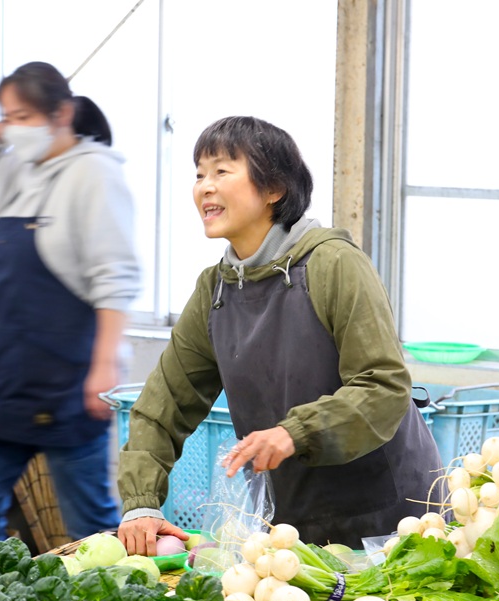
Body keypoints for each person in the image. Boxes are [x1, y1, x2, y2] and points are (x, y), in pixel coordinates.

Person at [116, 116, 442, 553]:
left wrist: (294, 433)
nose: (204, 187)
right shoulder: (216, 290)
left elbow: (383, 385)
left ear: (275, 189)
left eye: (222, 171)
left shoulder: (333, 263)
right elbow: (163, 405)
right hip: (291, 526)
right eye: (199, 174)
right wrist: (141, 504)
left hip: (393, 520)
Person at [0, 61, 140, 556]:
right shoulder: (15, 170)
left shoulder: (94, 174)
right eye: (7, 115)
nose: (16, 127)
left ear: (62, 113)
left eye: (24, 115)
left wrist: (104, 365)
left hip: (68, 375)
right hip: (6, 375)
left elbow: (115, 277)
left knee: (91, 522)